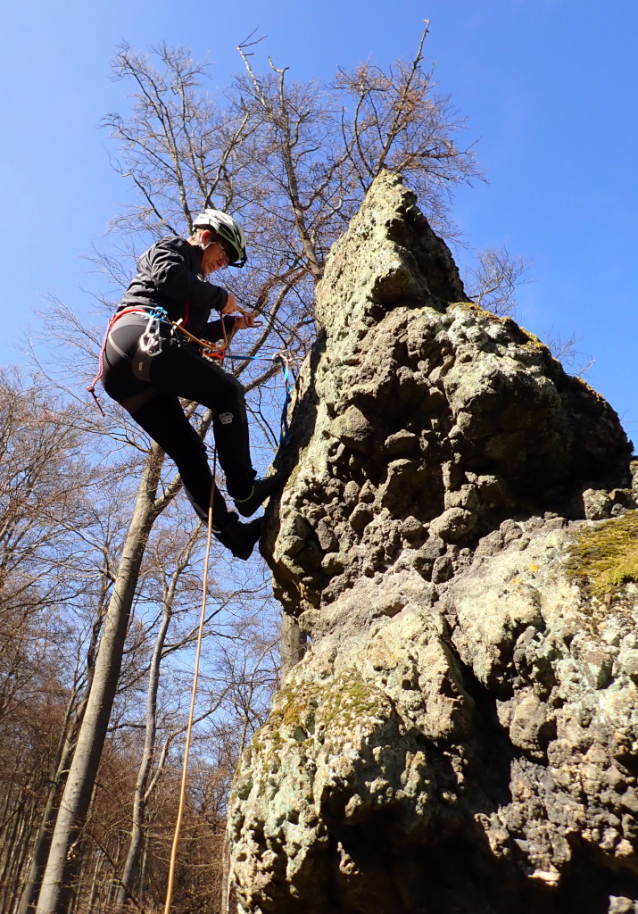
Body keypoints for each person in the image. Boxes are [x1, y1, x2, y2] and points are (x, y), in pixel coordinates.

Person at [98, 209, 284, 560]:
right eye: (223, 254)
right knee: (227, 392)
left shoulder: (194, 294)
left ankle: (234, 536)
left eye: (227, 261)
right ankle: (244, 487)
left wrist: (231, 325)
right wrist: (220, 298)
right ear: (206, 237)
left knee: (189, 451)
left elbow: (193, 338)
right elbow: (168, 276)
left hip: (129, 378)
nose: (222, 264)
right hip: (136, 337)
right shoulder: (173, 249)